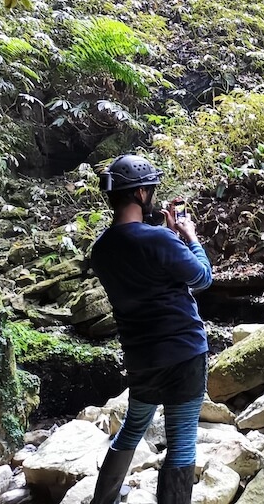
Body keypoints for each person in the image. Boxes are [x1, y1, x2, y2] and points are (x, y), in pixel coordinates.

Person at [90, 154, 212, 504]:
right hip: (183, 352)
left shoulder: (100, 249)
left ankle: (104, 499)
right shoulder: (160, 240)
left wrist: (168, 238)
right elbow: (202, 277)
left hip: (141, 357)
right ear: (141, 194)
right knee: (182, 439)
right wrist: (189, 237)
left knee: (132, 426)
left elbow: (140, 269)